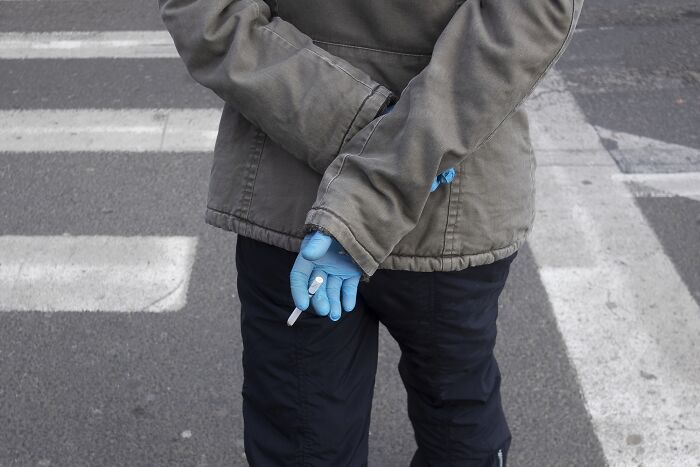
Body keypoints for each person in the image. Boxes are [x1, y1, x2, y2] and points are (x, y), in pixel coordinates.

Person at [159, 0, 583, 465]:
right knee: (456, 416)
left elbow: (207, 15)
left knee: (302, 435)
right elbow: (526, 21)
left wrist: (361, 127)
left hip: (294, 189)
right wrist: (398, 147)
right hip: (449, 191)